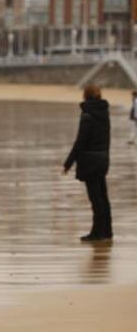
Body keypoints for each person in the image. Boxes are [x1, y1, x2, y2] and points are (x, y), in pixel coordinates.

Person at [63, 84, 112, 241]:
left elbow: (80, 143)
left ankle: (97, 233)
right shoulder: (104, 113)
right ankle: (107, 231)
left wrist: (67, 164)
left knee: (96, 199)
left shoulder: (87, 116)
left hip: (90, 161)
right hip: (103, 159)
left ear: (85, 96)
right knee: (103, 197)